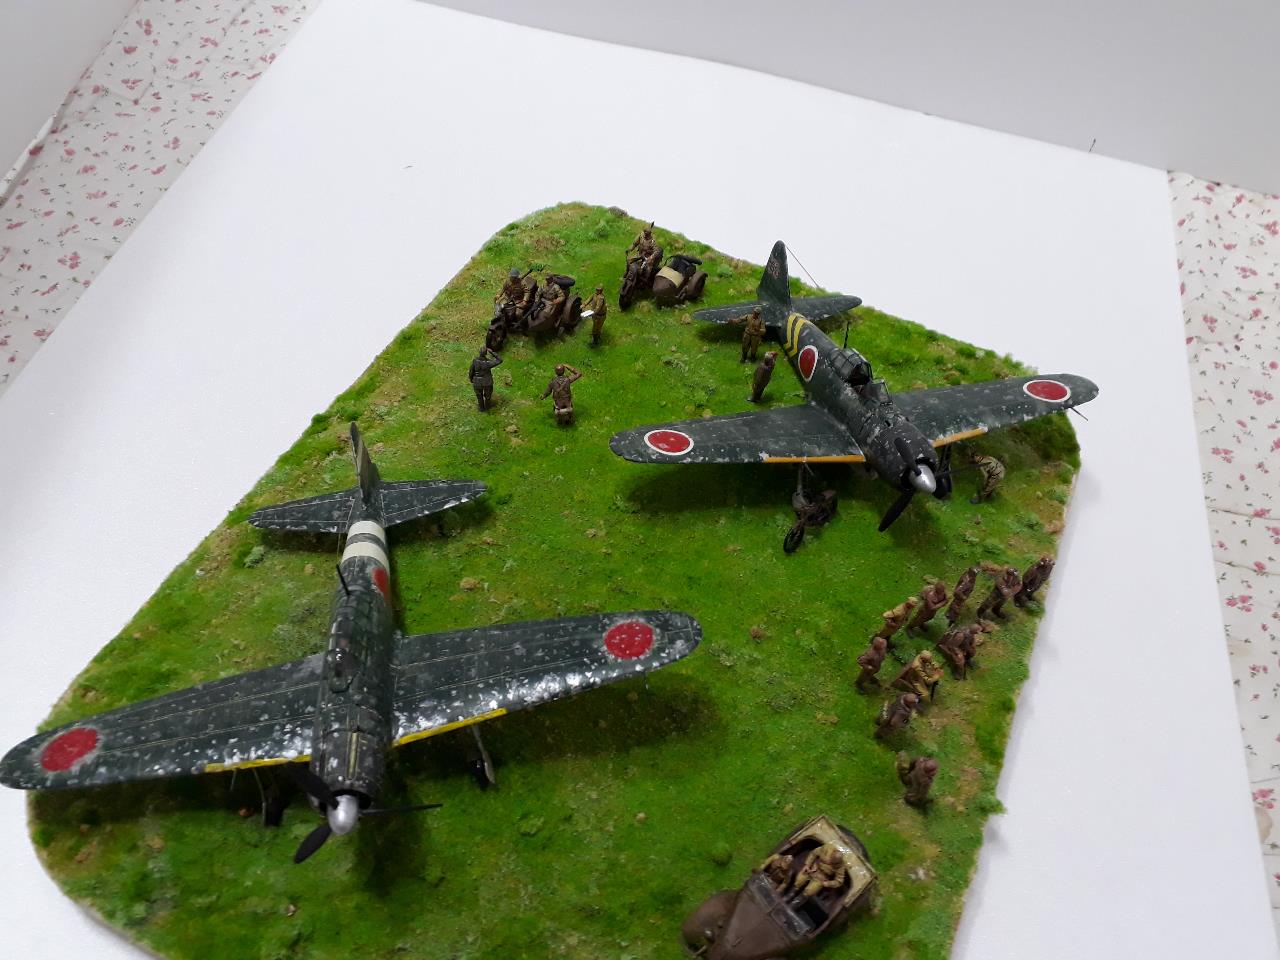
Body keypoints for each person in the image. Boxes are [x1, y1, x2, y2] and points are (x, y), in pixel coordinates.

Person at [467, 348, 502, 412]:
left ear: (479, 352)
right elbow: (500, 360)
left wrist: (471, 379)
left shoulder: (475, 361)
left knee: (479, 396)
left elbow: (471, 371)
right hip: (487, 382)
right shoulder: (488, 363)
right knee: (488, 396)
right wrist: (492, 352)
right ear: (486, 353)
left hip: (477, 382)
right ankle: (487, 407)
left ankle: (481, 408)